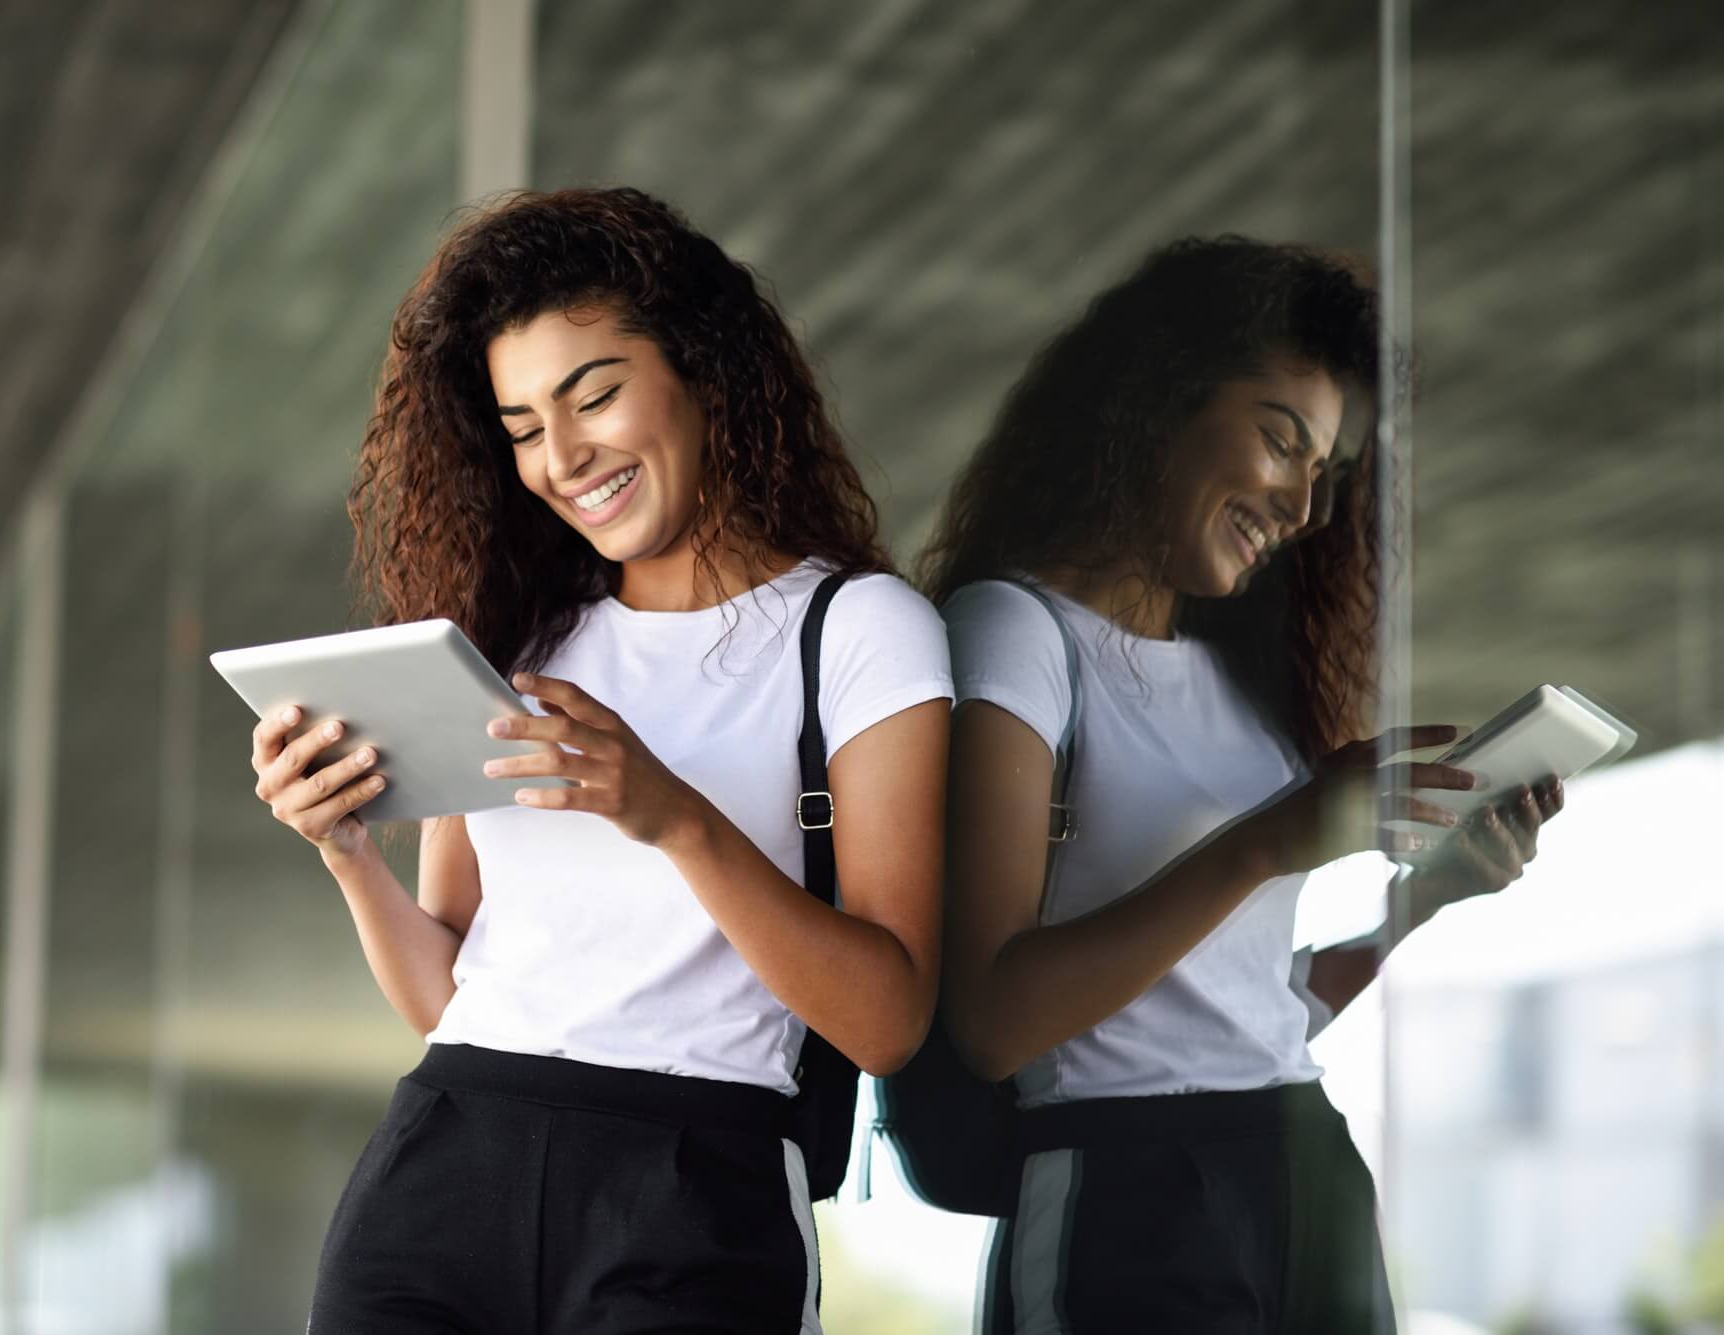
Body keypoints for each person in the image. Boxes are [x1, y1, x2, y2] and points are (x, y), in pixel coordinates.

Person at [247, 187, 952, 1335]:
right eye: (522, 428)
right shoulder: (516, 640)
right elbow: (448, 991)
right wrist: (344, 855)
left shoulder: (862, 632)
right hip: (439, 1167)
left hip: (694, 1187)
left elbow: (887, 1021)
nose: (562, 457)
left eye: (597, 396)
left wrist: (673, 816)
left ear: (705, 372)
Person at [921, 236, 1563, 1333]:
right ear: (1156, 400)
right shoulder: (1011, 633)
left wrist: (1422, 900)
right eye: (1280, 441)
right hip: (1125, 1189)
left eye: (1324, 471)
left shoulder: (1237, 677)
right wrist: (1270, 842)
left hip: (1301, 1163)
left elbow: (1243, 1012)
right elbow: (992, 1019)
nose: (1303, 506)